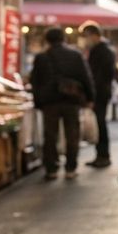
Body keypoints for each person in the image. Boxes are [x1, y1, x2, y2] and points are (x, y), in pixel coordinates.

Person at [29, 27, 95, 180]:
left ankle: (51, 168)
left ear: (47, 40)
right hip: (71, 101)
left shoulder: (41, 58)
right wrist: (90, 98)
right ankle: (70, 168)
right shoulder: (75, 55)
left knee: (50, 135)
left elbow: (35, 82)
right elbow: (86, 78)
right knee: (72, 134)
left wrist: (38, 102)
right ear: (63, 38)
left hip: (49, 103)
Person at [79, 22, 118, 168]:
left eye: (86, 36)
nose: (85, 40)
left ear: (94, 35)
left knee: (100, 124)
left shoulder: (103, 51)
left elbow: (101, 76)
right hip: (100, 93)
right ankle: (101, 155)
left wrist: (92, 96)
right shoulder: (100, 50)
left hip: (100, 94)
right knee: (99, 124)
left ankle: (103, 155)